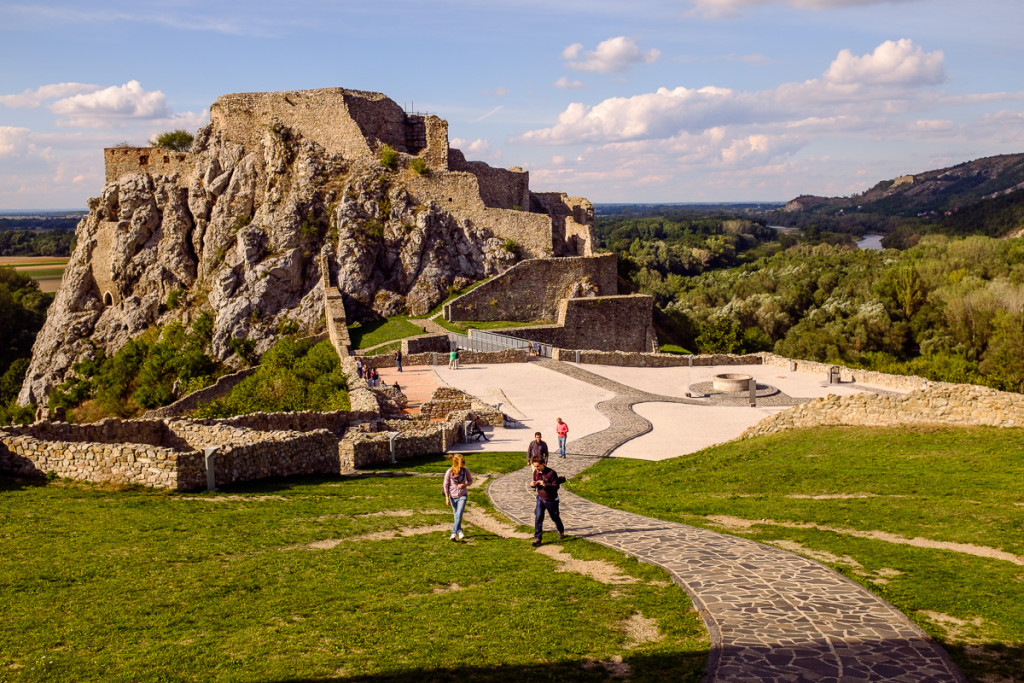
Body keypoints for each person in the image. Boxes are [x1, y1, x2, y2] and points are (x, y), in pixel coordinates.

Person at [527, 455, 566, 546]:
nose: (536, 468)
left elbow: (556, 486)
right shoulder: (535, 473)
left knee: (555, 517)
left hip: (551, 500)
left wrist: (545, 484)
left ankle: (560, 530)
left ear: (543, 464)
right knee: (538, 517)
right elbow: (536, 484)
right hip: (540, 498)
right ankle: (538, 538)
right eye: (534, 466)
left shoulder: (551, 473)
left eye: (538, 466)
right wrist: (533, 485)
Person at [443, 454, 473, 541]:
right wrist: (447, 498)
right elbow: (445, 485)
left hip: (462, 495)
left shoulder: (465, 470)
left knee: (459, 514)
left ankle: (453, 533)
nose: (463, 464)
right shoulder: (449, 472)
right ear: (456, 463)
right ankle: (460, 530)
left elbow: (470, 481)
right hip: (452, 496)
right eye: (461, 463)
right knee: (456, 515)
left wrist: (465, 485)